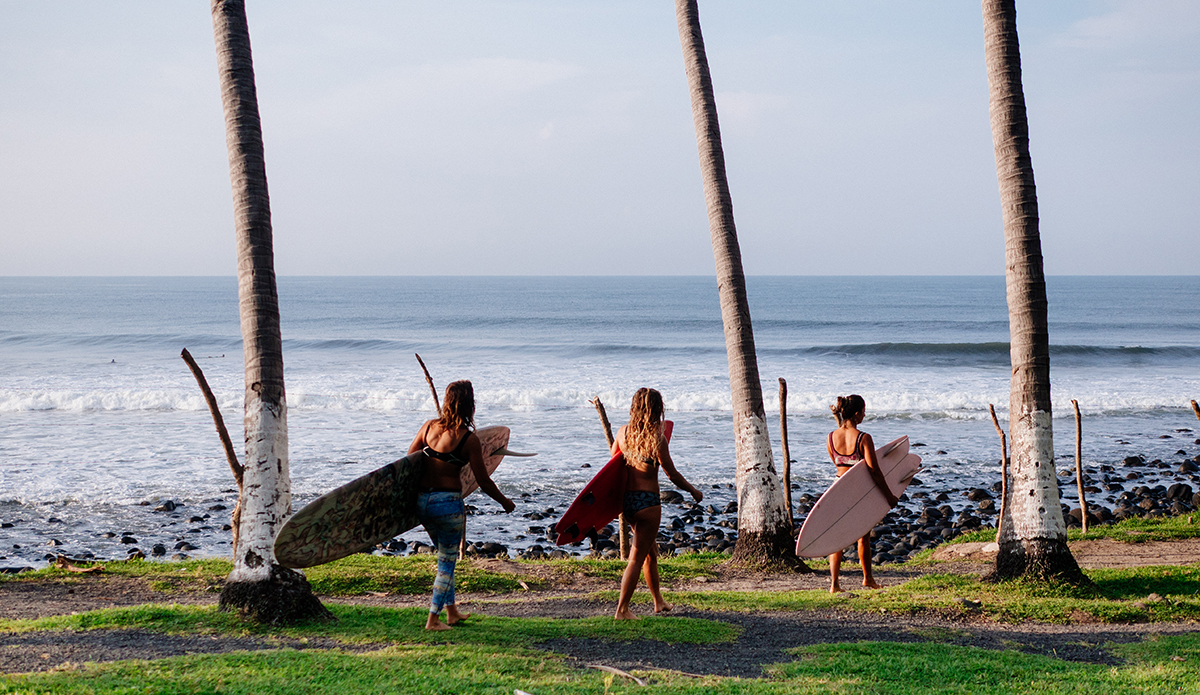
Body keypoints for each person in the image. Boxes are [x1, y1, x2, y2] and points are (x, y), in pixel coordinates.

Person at [408, 380, 515, 630]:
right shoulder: (468, 440)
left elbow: (409, 462)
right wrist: (505, 502)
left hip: (424, 503)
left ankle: (452, 612)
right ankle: (433, 620)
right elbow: (483, 481)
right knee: (446, 562)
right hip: (448, 505)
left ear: (447, 402)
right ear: (470, 405)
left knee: (446, 557)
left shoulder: (428, 428)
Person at [611, 388, 703, 620]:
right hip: (649, 504)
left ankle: (658, 601)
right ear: (657, 409)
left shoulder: (622, 433)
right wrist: (693, 490)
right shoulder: (657, 439)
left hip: (629, 503)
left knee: (650, 551)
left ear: (635, 407)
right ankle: (622, 610)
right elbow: (671, 474)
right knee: (635, 558)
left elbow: (612, 465)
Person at [826, 394, 899, 593]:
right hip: (857, 490)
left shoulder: (831, 437)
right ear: (857, 414)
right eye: (864, 412)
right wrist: (889, 496)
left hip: (838, 487)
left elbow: (837, 463)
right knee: (863, 536)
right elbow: (873, 470)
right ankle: (867, 579)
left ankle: (834, 585)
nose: (865, 416)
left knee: (836, 537)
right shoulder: (863, 438)